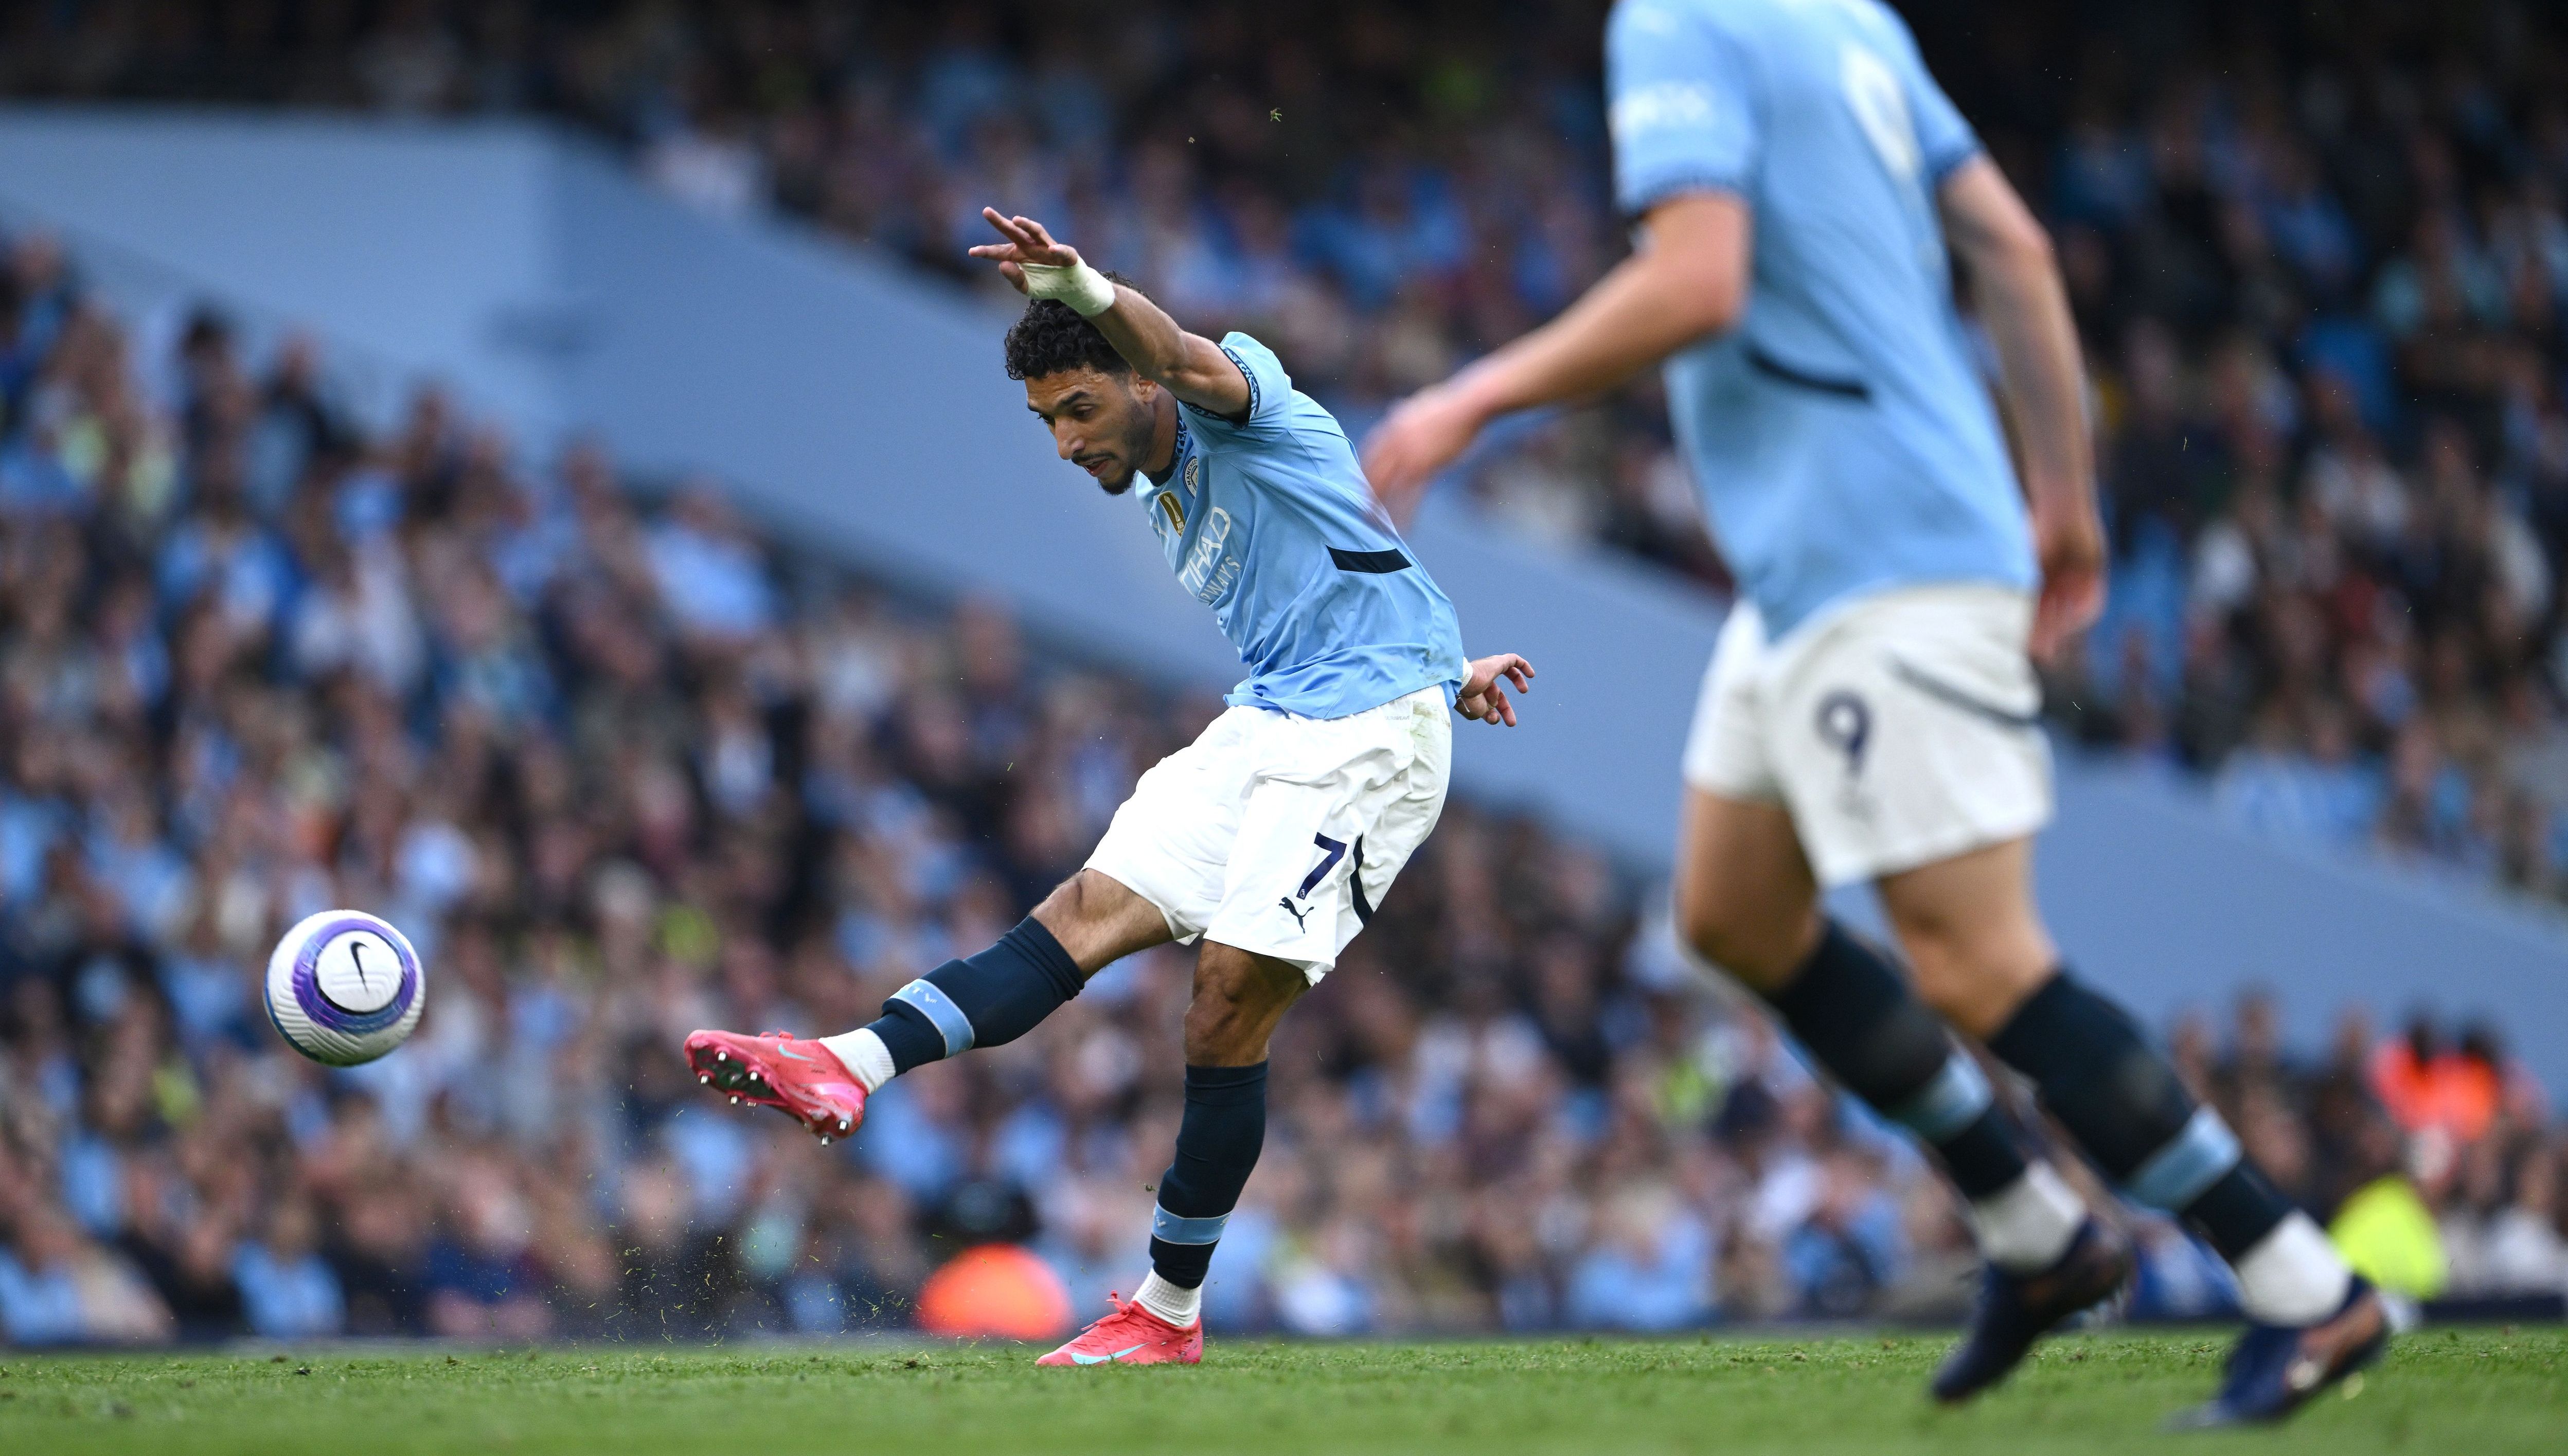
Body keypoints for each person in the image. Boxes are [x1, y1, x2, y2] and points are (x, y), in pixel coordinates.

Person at [1362, 0, 2383, 1426]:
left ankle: (2302, 1284)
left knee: (1978, 964)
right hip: (1812, 581)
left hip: (1882, 557)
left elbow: (1698, 284)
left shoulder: (1676, 21)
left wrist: (1471, 397)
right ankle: (2035, 1238)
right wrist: (2069, 512)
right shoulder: (1848, 19)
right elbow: (2014, 253)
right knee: (1732, 917)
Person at [685, 206, 1535, 1368]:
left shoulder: (1238, 404)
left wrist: (1084, 287)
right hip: (1274, 718)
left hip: (1366, 738)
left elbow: (1184, 354)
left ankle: (1166, 1312)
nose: (1064, 440)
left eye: (1079, 407)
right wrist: (1454, 660)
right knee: (1083, 914)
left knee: (1226, 994)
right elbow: (1353, 551)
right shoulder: (1157, 483)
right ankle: (848, 1062)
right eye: (1046, 421)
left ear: (1138, 387)